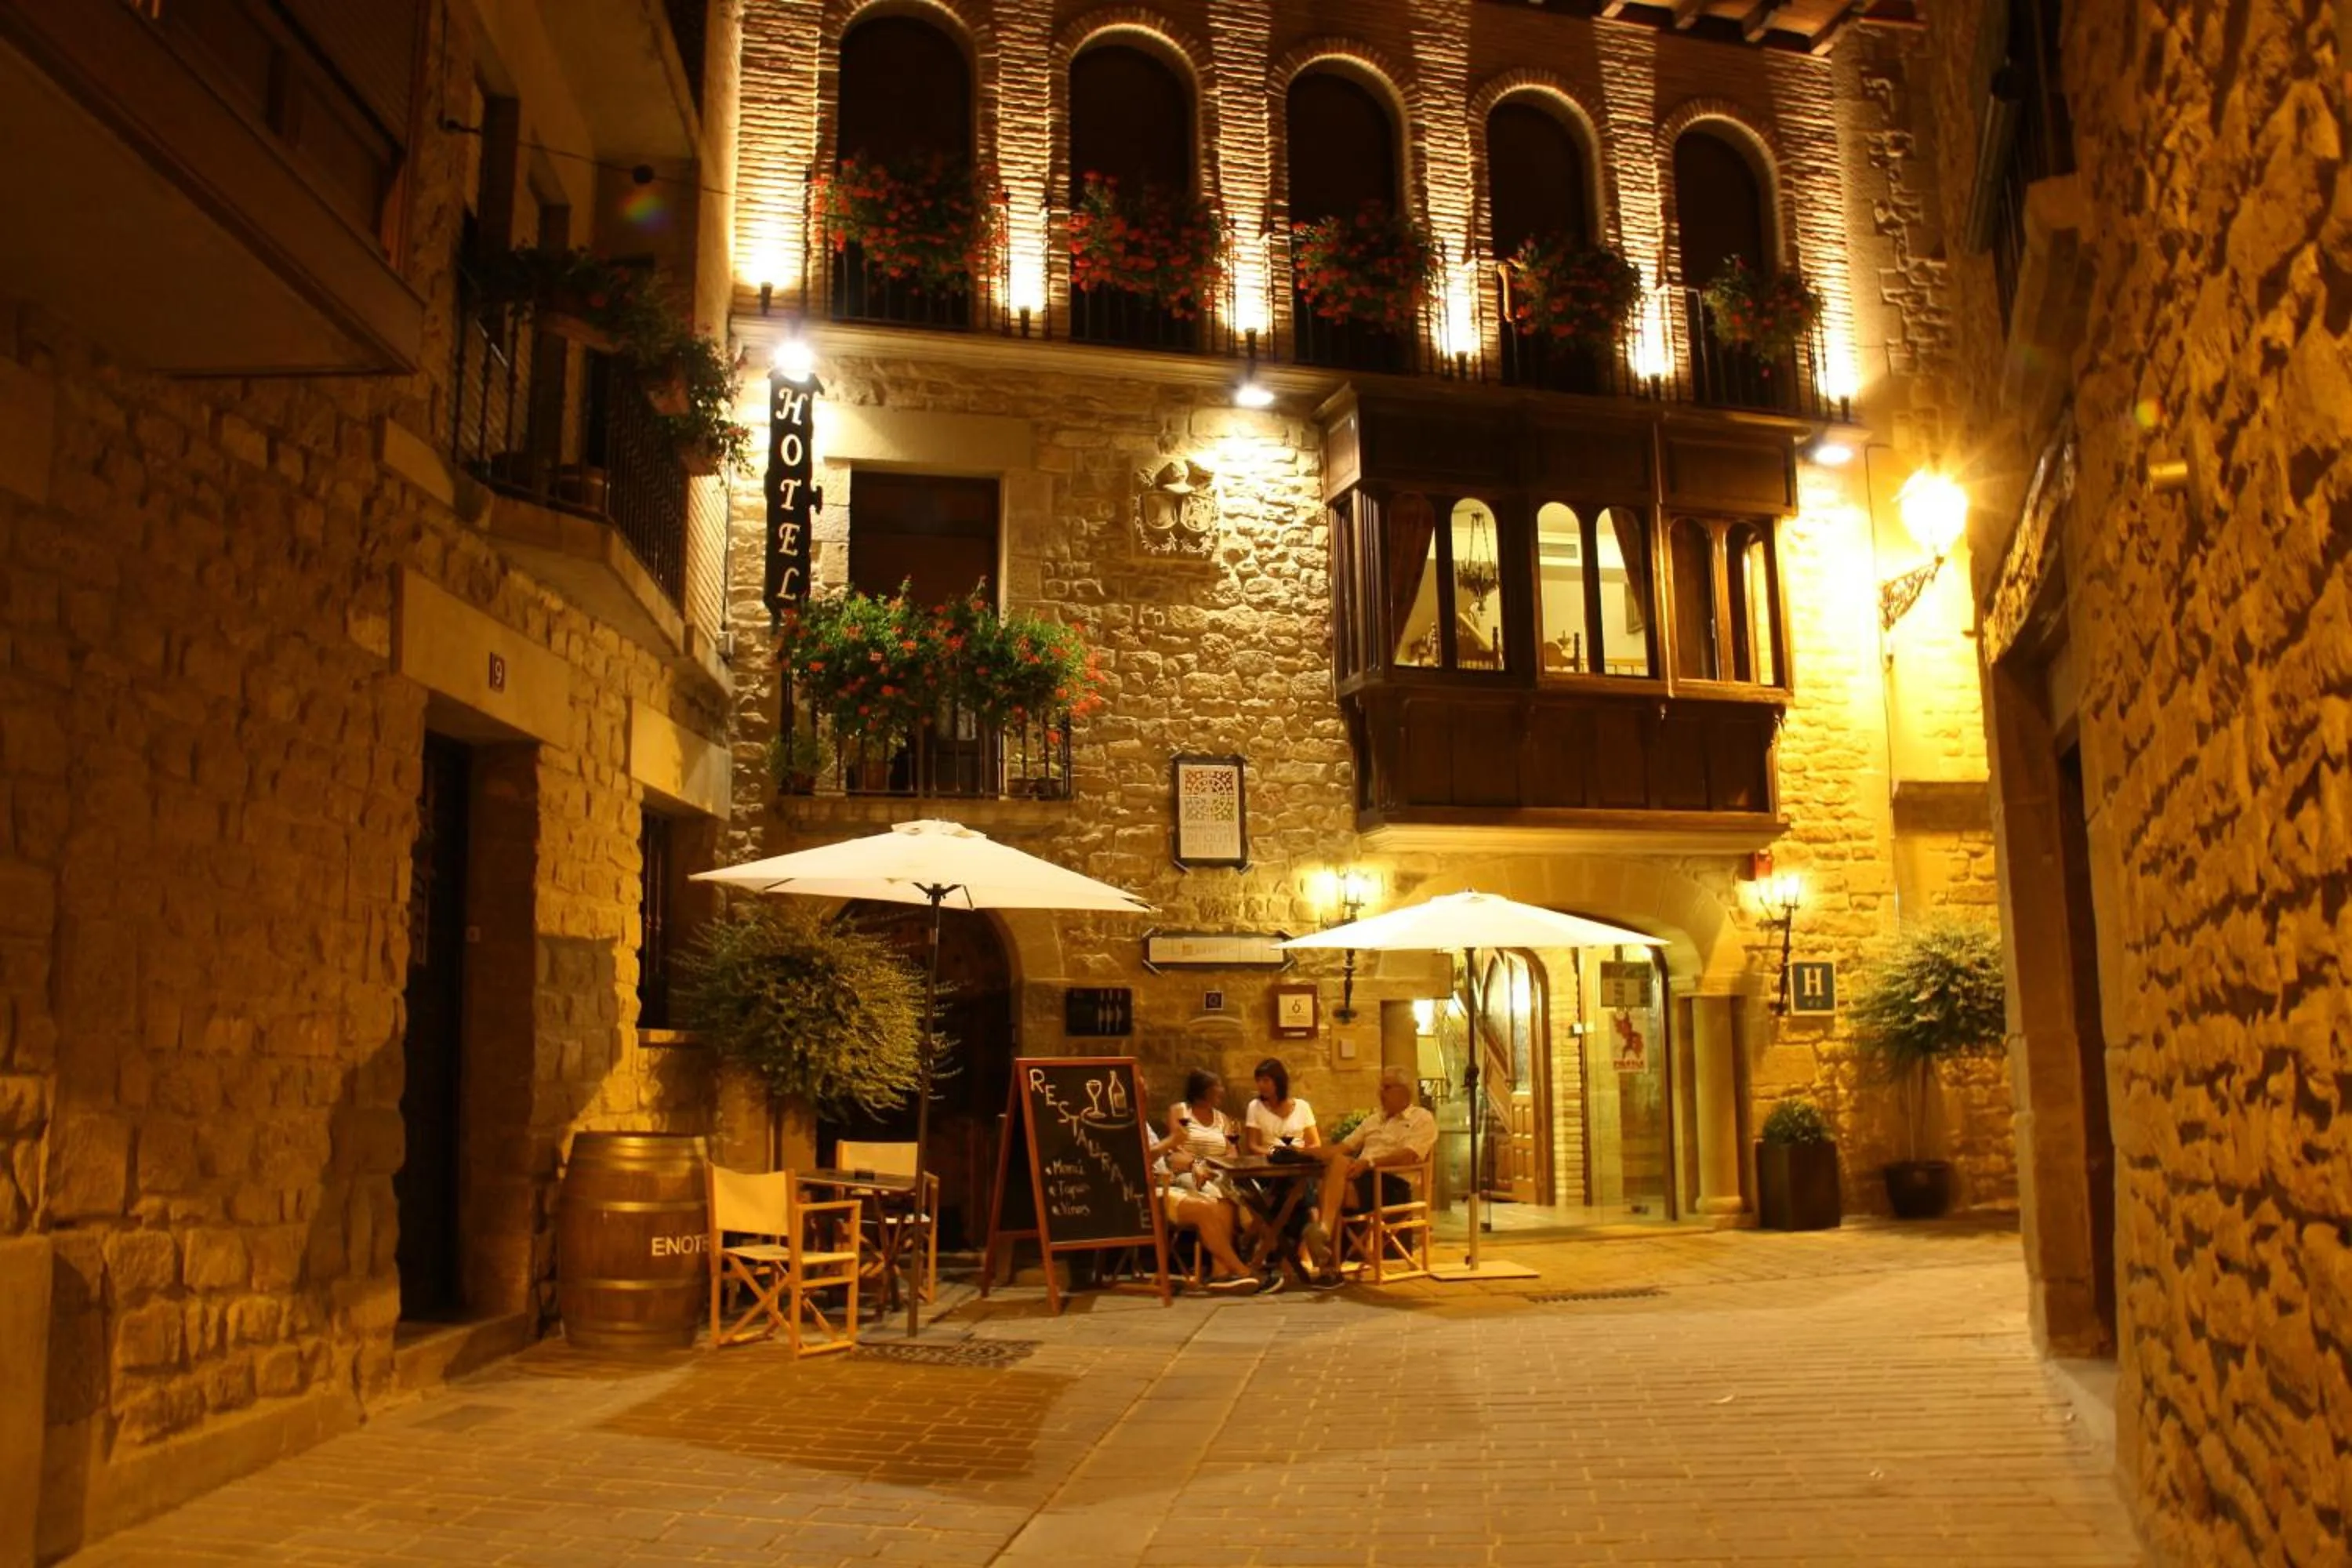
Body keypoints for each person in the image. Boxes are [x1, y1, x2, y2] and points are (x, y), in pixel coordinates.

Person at [1301, 1066, 1439, 1289]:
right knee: (1336, 1167)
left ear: (1404, 1091)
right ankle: (1327, 1249)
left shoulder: (1421, 1119)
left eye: (1386, 1088)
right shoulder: (1373, 1120)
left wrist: (1369, 1163)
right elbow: (1341, 1148)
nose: (1380, 1093)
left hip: (1394, 1184)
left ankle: (1326, 1246)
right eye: (1380, 1087)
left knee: (1330, 1185)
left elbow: (1409, 1155)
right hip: (1362, 1181)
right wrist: (1303, 1152)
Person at [1145, 1109, 1254, 1289]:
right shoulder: (1126, 1127)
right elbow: (1143, 1159)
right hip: (1144, 1192)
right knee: (1206, 1206)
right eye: (1140, 1091)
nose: (1145, 1094)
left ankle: (1222, 1273)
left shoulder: (1145, 1124)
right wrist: (1172, 1141)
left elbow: (1170, 1158)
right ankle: (1244, 1272)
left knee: (1225, 1200)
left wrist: (1192, 1164)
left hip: (1168, 1182)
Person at [1242, 1057, 1318, 1154]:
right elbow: (1252, 1146)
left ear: (1278, 1082)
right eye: (1258, 1081)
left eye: (1266, 1081)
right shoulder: (1255, 1107)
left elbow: (1315, 1143)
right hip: (1269, 1160)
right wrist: (1275, 1155)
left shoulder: (1302, 1106)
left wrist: (1299, 1154)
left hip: (1298, 1161)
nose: (1260, 1085)